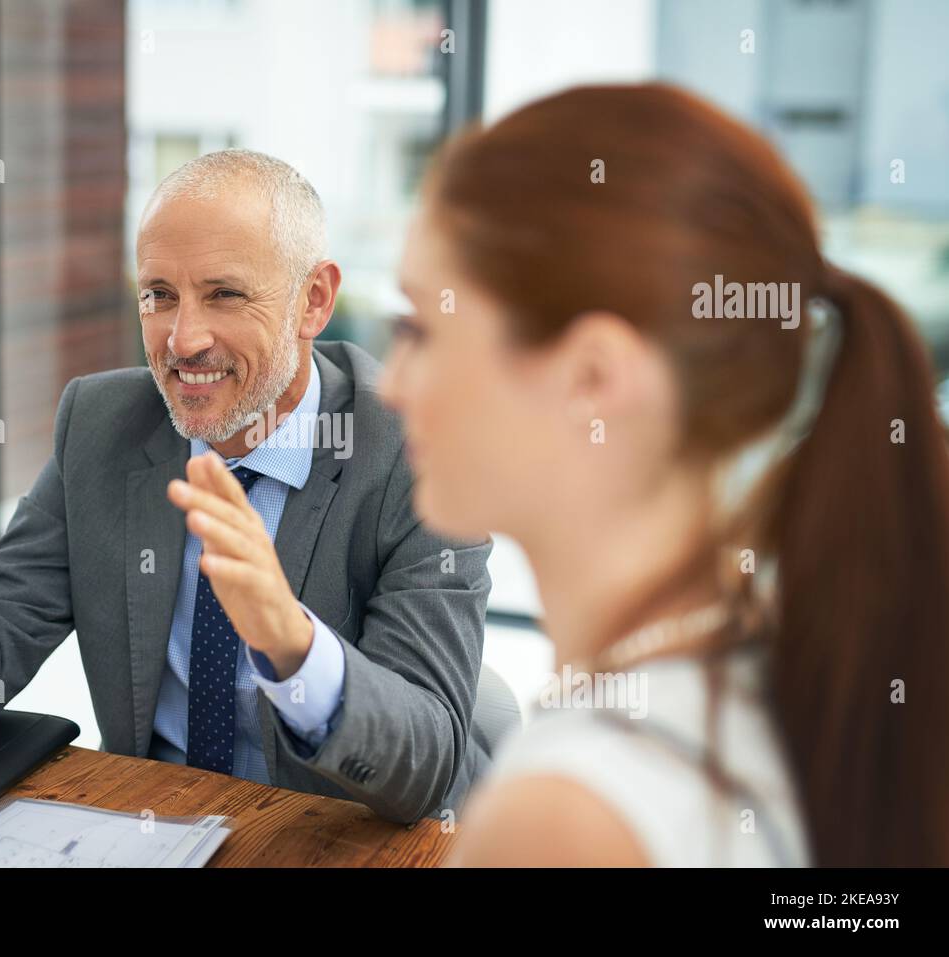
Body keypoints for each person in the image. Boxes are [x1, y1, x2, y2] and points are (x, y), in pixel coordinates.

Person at [0, 149, 492, 824]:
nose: (183, 339)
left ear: (313, 301)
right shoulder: (100, 426)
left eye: (224, 294)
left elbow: (425, 768)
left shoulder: (419, 452)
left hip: (331, 842)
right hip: (150, 829)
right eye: (159, 296)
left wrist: (292, 643)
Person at [379, 83, 949, 865]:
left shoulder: (566, 819)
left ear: (593, 378)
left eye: (419, 327)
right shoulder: (788, 672)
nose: (389, 383)